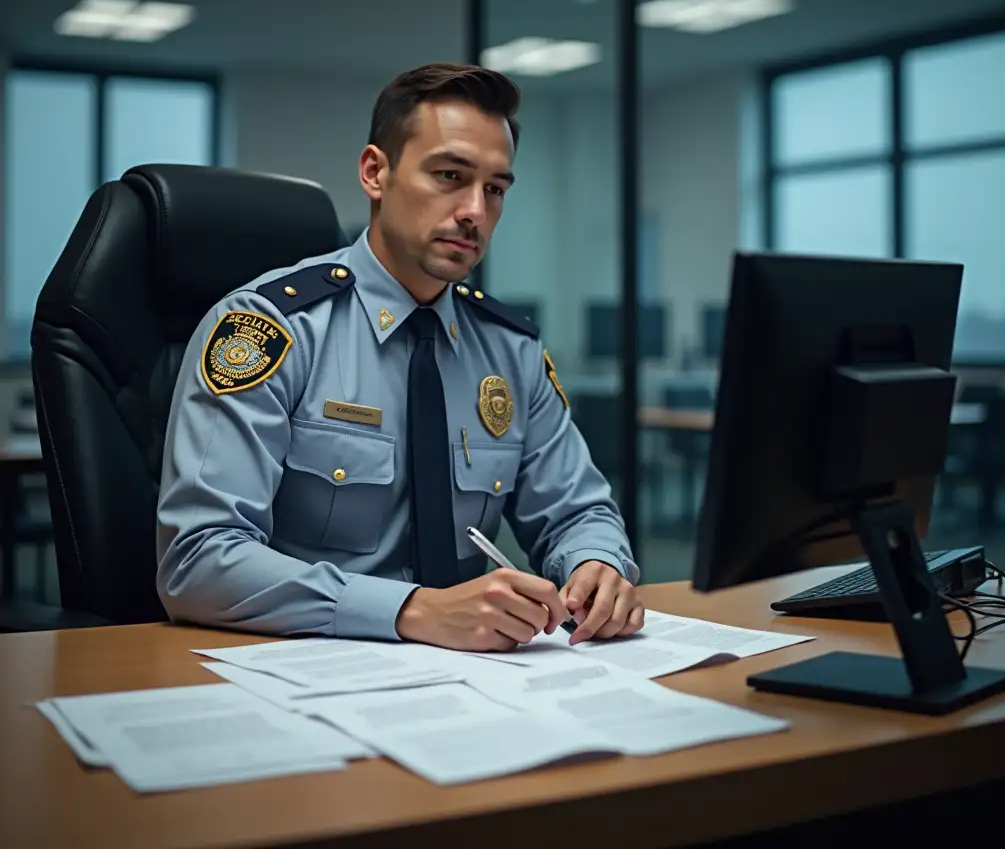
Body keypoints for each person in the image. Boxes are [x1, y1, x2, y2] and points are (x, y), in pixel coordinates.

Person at [156, 62, 643, 652]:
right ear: (375, 173)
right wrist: (410, 610)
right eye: (449, 176)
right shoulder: (270, 330)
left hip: (474, 681)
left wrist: (597, 565)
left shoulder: (509, 349)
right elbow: (199, 559)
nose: (474, 211)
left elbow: (575, 511)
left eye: (494, 189)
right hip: (301, 672)